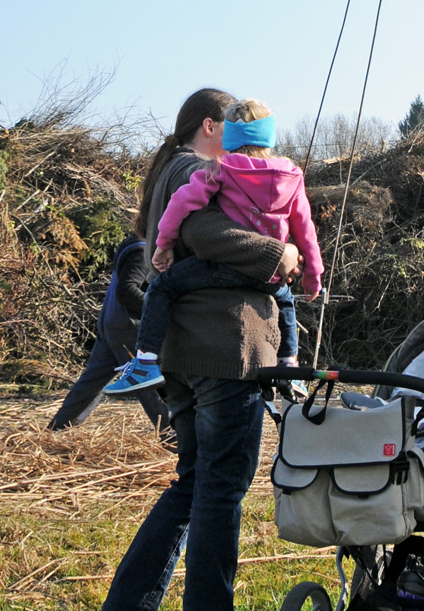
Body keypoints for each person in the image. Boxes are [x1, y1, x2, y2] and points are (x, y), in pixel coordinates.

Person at [97, 87, 300, 611]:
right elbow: (204, 235)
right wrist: (279, 256)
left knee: (193, 483)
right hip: (225, 350)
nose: (239, 143)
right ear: (210, 127)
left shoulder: (173, 169)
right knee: (220, 491)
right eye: (230, 127)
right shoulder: (197, 170)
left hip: (187, 354)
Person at [104, 100, 321, 398]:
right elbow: (305, 228)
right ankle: (290, 364)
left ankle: (145, 362)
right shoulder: (292, 175)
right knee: (285, 299)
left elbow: (181, 205)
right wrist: (312, 274)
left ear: (229, 134)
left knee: (162, 287)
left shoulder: (221, 168)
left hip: (226, 269)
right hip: (268, 277)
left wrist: (164, 244)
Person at [47, 233, 171, 434]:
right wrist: (160, 310)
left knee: (91, 383)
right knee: (150, 386)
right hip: (129, 328)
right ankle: (173, 437)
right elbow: (127, 291)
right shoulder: (142, 251)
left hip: (111, 323)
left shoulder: (132, 242)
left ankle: (57, 430)